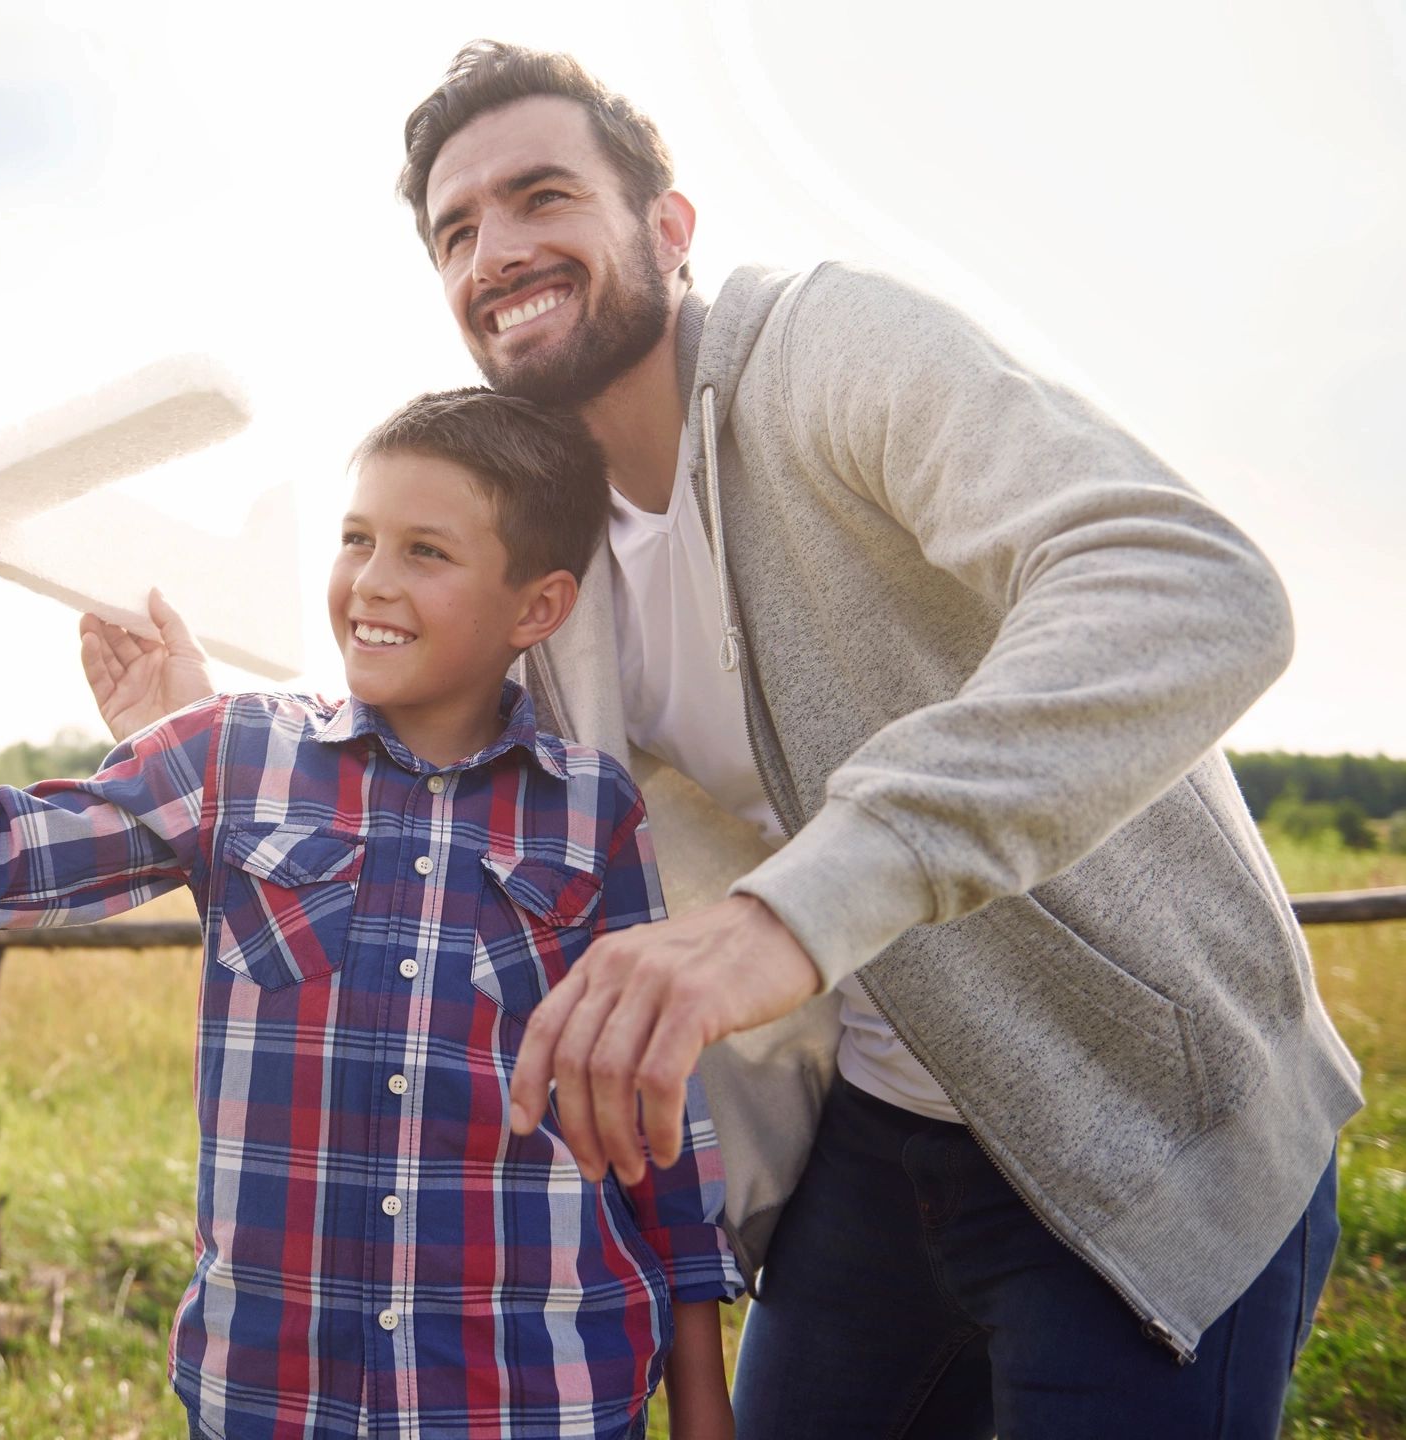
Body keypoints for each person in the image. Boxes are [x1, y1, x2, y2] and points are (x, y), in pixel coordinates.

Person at [77, 40, 1362, 1439]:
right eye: (457, 230)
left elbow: (1191, 587)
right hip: (870, 1158)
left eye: (541, 196)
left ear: (668, 228)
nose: (495, 250)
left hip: (1134, 1130)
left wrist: (784, 917)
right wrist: (195, 746)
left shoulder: (830, 351)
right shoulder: (545, 563)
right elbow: (444, 813)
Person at [0, 389, 743, 1440]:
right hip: (278, 1403)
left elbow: (655, 1131)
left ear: (536, 610)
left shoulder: (593, 812)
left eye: (425, 553)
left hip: (541, 1401)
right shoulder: (231, 758)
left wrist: (703, 1409)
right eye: (357, 539)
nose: (371, 581)